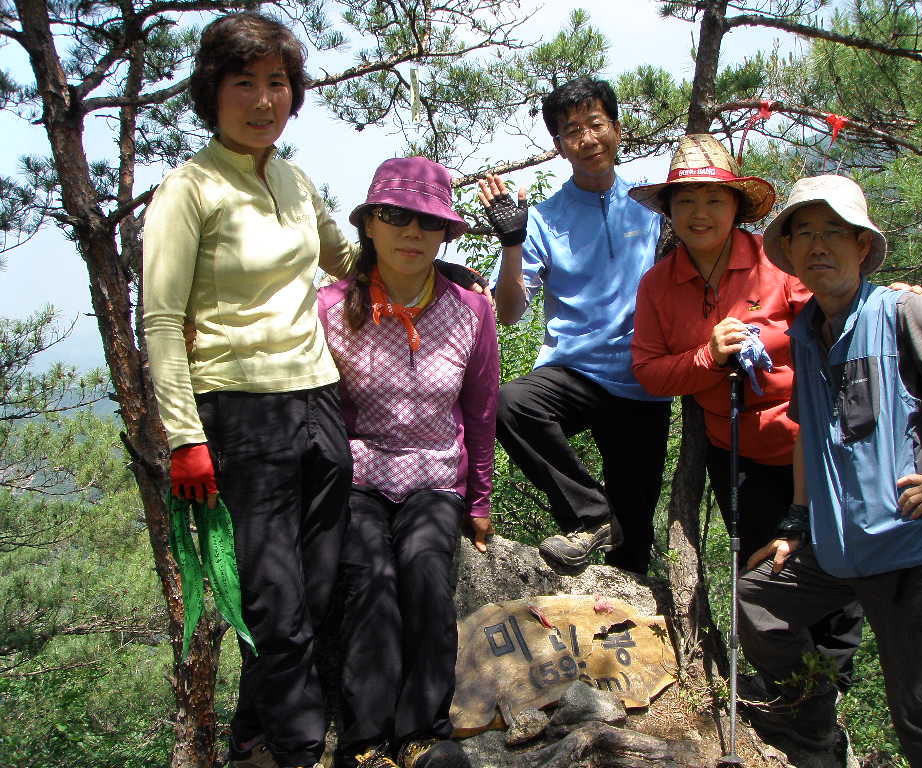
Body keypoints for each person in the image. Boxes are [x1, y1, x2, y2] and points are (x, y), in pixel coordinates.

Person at [738, 174, 922, 765]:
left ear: (862, 245)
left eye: (834, 233)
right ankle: (813, 723)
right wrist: (795, 524)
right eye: (804, 234)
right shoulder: (805, 332)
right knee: (758, 601)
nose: (818, 246)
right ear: (788, 253)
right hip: (843, 551)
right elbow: (808, 434)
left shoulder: (901, 311)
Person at [143, 13, 354, 768]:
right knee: (274, 600)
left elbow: (342, 253)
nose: (264, 100)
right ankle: (299, 749)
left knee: (317, 585)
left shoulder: (294, 178)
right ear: (213, 92)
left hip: (319, 398)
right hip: (237, 410)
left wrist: (414, 252)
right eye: (245, 83)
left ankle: (250, 738)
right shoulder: (188, 189)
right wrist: (183, 436)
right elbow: (162, 320)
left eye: (277, 83)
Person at [629, 135, 863, 693]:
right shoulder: (659, 285)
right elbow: (651, 372)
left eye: (713, 199)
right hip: (738, 453)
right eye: (684, 201)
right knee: (764, 571)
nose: (699, 213)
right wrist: (708, 357)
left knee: (834, 563)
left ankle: (829, 689)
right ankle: (786, 686)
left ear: (736, 206)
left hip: (815, 442)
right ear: (669, 211)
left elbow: (832, 315)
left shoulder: (775, 263)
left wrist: (883, 299)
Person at [318, 157, 498, 768]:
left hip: (434, 474)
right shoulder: (331, 309)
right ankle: (365, 741)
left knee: (423, 568)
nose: (411, 233)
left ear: (445, 233)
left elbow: (480, 411)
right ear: (369, 224)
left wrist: (478, 501)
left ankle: (423, 731)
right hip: (358, 473)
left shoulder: (471, 310)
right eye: (395, 217)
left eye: (427, 222)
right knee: (368, 574)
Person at [477, 76, 671, 574]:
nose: (587, 139)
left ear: (617, 129)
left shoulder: (655, 204)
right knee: (511, 404)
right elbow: (510, 312)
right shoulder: (545, 218)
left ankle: (618, 571)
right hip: (575, 373)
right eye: (571, 131)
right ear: (558, 145)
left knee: (633, 544)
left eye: (595, 124)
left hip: (643, 381)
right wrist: (512, 242)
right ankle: (591, 513)